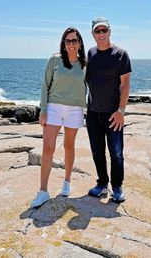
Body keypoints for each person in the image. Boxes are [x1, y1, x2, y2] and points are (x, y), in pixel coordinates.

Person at [31, 27, 87, 208]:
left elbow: (94, 86)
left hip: (74, 110)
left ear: (80, 43)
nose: (71, 44)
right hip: (54, 108)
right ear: (63, 43)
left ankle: (67, 181)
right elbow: (45, 85)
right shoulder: (54, 60)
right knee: (48, 148)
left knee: (69, 146)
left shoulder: (85, 64)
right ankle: (43, 191)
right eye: (67, 41)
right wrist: (43, 109)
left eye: (74, 41)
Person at [86, 17, 132, 203]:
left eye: (104, 30)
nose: (101, 34)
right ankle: (102, 184)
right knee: (97, 152)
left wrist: (121, 110)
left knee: (116, 154)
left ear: (110, 32)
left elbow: (126, 84)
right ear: (93, 34)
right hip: (93, 113)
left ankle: (117, 187)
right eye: (98, 31)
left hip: (113, 114)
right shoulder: (90, 54)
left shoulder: (121, 54)